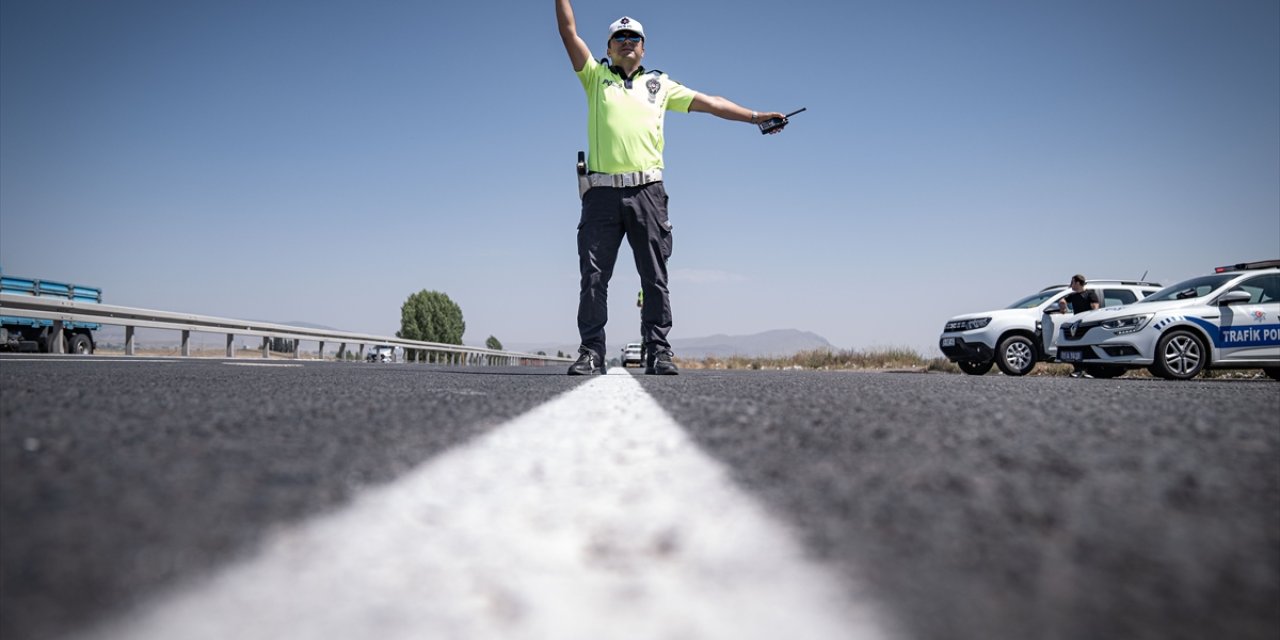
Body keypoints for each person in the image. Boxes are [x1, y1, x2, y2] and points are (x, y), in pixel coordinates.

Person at [556, 1, 787, 376]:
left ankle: (658, 351)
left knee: (655, 276)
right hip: (600, 193)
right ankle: (592, 352)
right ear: (608, 47)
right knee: (594, 276)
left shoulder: (660, 85)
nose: (627, 41)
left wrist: (754, 117)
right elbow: (568, 31)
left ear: (644, 48)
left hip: (648, 192)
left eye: (634, 37)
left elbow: (711, 104)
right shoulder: (595, 77)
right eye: (619, 37)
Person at [1058, 274, 1099, 378]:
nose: (1070, 285)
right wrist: (1063, 306)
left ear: (1077, 283)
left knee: (1087, 348)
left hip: (1088, 325)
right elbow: (1062, 300)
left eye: (1072, 282)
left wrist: (1093, 310)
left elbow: (1096, 309)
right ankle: (1078, 370)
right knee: (1076, 348)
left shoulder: (1090, 294)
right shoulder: (1073, 295)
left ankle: (1089, 371)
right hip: (1077, 325)